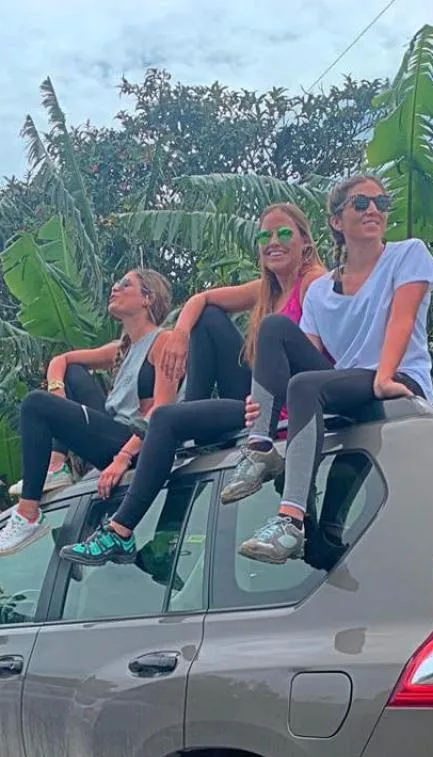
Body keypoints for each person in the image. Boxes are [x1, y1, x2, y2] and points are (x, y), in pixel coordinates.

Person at [59, 205, 329, 567]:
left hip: (288, 406)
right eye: (265, 236)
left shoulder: (314, 282)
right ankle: (195, 433)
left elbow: (319, 354)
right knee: (205, 319)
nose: (273, 242)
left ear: (305, 242)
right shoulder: (265, 290)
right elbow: (201, 299)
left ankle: (120, 530)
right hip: (255, 404)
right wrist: (179, 335)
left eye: (284, 234)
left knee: (165, 419)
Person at [222, 173, 433, 565]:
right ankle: (259, 449)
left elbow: (402, 320)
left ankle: (289, 521)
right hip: (349, 388)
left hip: (399, 380)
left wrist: (385, 376)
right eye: (361, 203)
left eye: (381, 203)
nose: (373, 209)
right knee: (274, 329)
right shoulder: (322, 291)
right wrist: (262, 403)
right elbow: (304, 355)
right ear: (337, 221)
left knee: (307, 387)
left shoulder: (407, 255)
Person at [0, 268, 176, 556]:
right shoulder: (121, 349)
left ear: (147, 298)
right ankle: (56, 466)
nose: (115, 288)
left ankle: (28, 514)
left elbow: (163, 411)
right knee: (71, 372)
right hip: (112, 431)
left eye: (125, 284)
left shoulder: (163, 342)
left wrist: (123, 458)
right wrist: (58, 391)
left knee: (35, 405)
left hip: (137, 443)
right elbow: (60, 360)